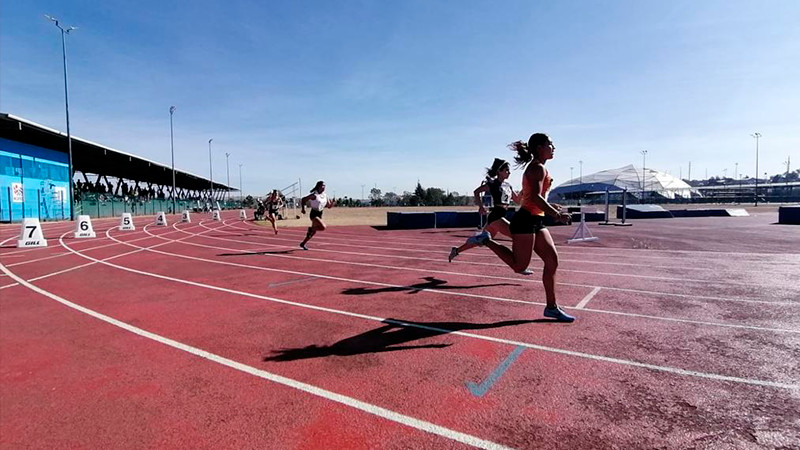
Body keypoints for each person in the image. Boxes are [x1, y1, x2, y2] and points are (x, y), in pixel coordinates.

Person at [468, 133, 575, 322]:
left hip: (537, 220)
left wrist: (551, 209)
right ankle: (487, 241)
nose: (554, 147)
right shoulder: (536, 169)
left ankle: (551, 307)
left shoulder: (540, 169)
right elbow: (534, 198)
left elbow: (534, 197)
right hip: (525, 220)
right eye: (550, 144)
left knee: (552, 261)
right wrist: (556, 214)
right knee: (520, 266)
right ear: (539, 148)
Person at [448, 159, 532, 275]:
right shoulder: (493, 184)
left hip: (501, 215)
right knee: (516, 236)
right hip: (496, 216)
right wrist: (481, 207)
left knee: (481, 241)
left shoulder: (509, 186)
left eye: (509, 170)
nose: (509, 172)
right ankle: (520, 265)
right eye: (506, 170)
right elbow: (476, 192)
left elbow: (517, 200)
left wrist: (525, 188)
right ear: (499, 171)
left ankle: (456, 250)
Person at [299, 181, 335, 250]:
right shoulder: (314, 195)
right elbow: (303, 199)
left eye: (324, 186)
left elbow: (329, 206)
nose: (324, 187)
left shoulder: (325, 195)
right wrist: (303, 209)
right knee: (323, 227)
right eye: (322, 186)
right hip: (314, 214)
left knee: (313, 232)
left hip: (320, 213)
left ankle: (303, 243)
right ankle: (310, 229)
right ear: (318, 186)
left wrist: (332, 203)